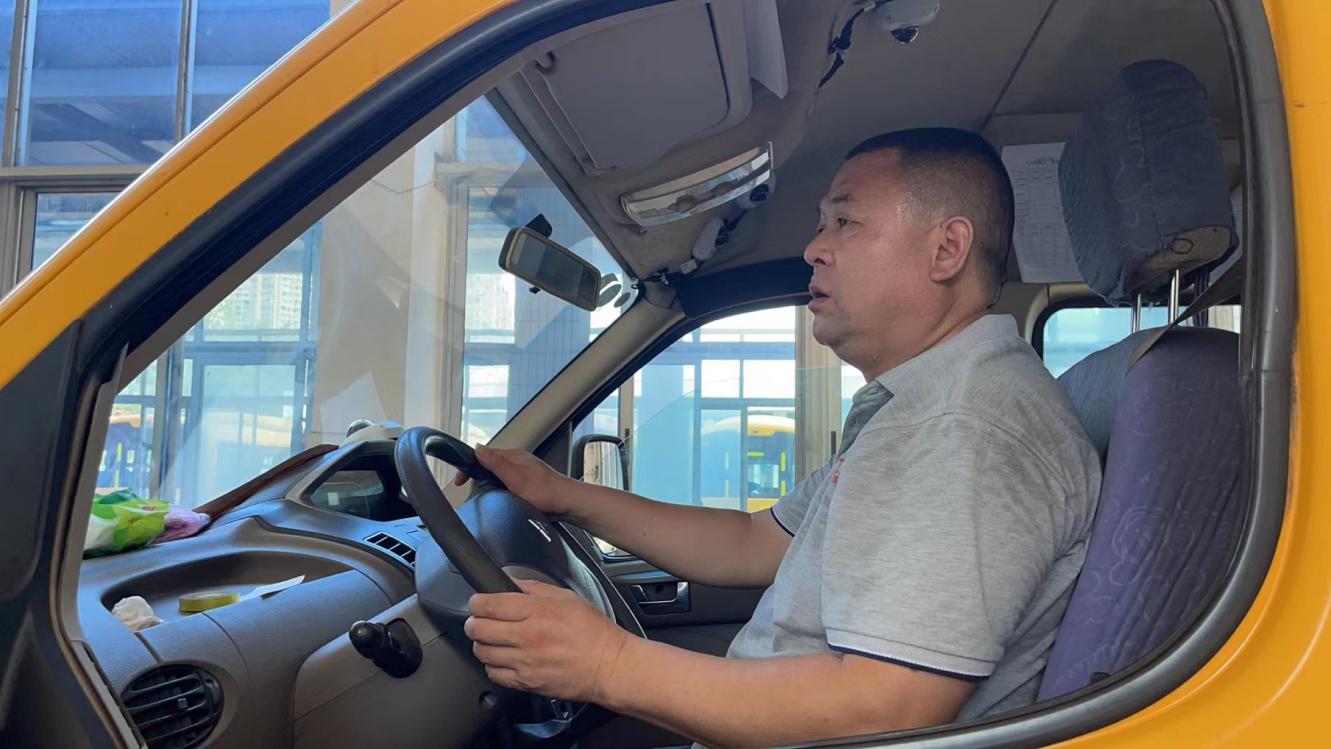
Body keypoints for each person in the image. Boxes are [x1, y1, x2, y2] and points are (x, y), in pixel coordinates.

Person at [457, 128, 1101, 748]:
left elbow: (886, 709)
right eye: (823, 224)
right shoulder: (917, 406)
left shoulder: (966, 428)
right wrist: (564, 495)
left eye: (844, 221)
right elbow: (754, 542)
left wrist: (605, 663)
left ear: (946, 250)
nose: (814, 248)